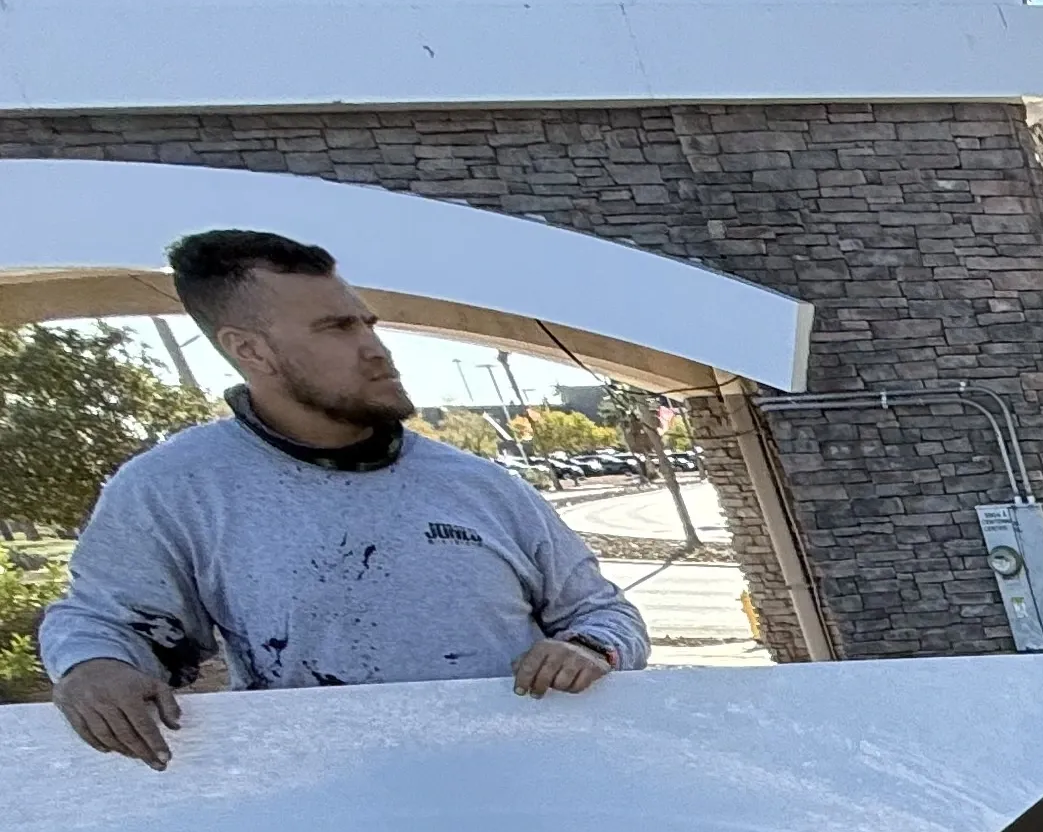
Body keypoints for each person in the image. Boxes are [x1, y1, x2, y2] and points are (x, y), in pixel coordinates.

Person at [42, 228, 649, 770]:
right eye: (336, 328)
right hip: (329, 807)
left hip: (534, 789)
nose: (375, 349)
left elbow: (605, 615)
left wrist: (587, 648)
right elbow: (102, 622)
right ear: (249, 350)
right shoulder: (175, 489)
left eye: (367, 324)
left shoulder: (482, 484)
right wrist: (93, 667)